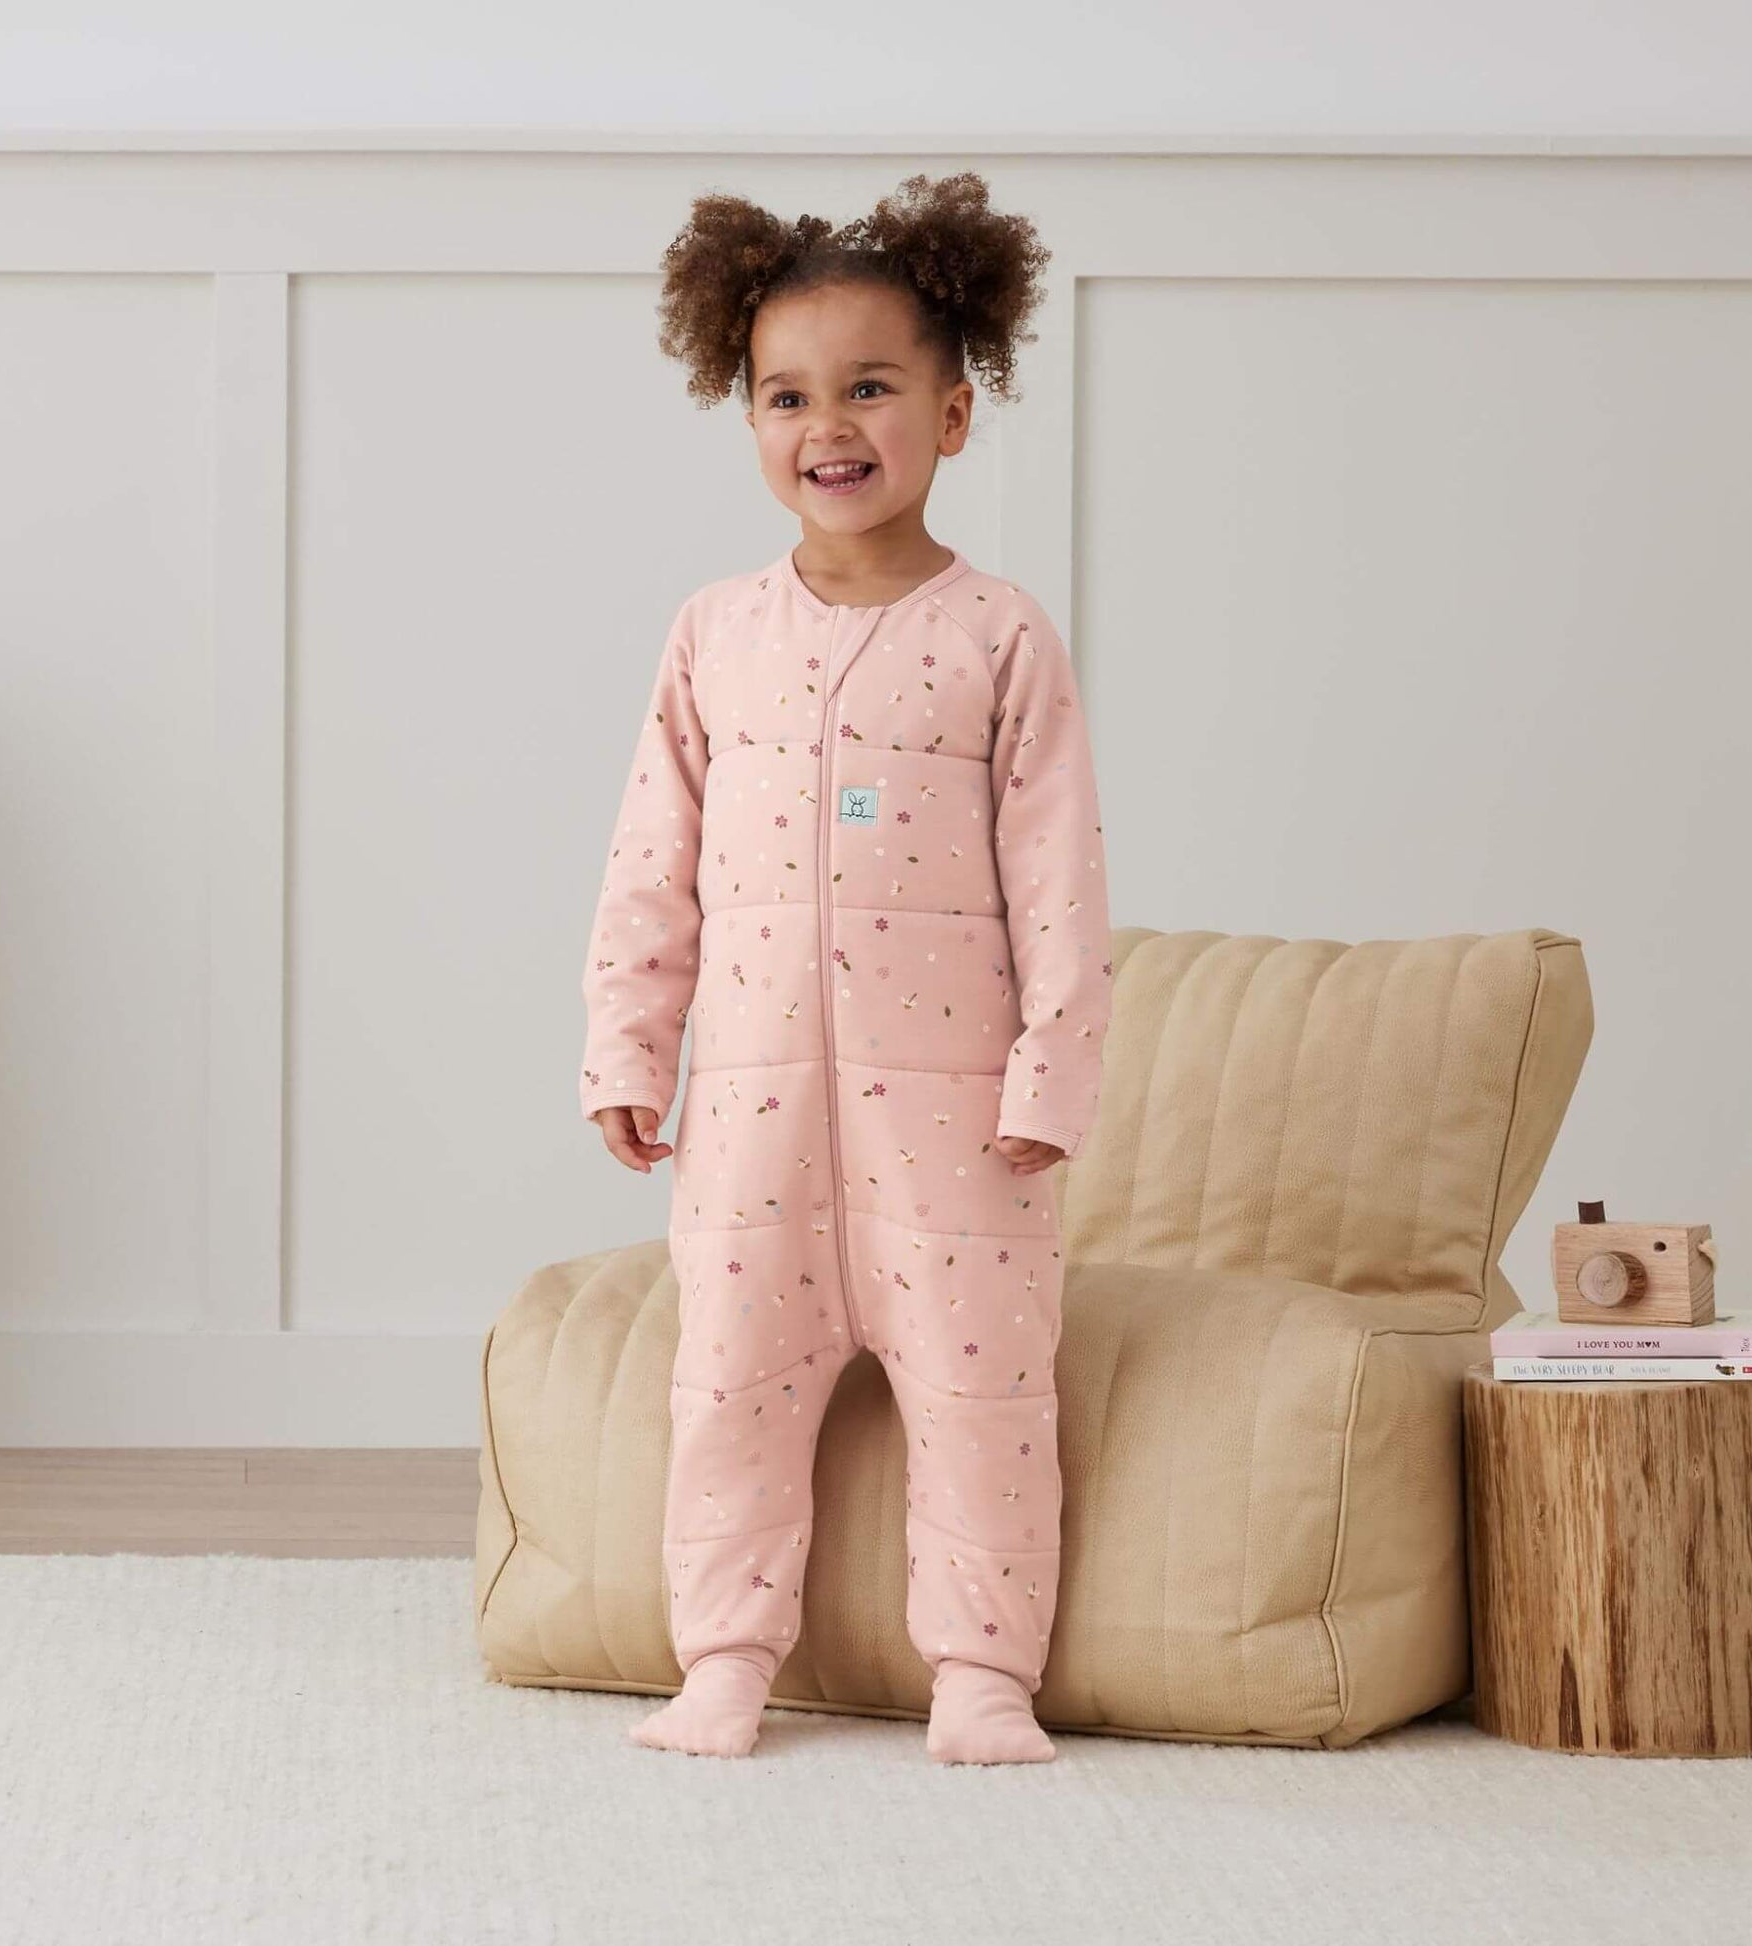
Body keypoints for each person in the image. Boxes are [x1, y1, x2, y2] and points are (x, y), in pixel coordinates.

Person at [578, 172, 1114, 1764]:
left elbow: (1060, 875)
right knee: (727, 1393)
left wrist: (1050, 1080)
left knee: (983, 1402)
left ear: (953, 414)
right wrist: (626, 1047)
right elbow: (647, 861)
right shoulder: (714, 634)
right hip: (749, 1122)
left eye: (870, 387)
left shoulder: (998, 634)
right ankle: (726, 1655)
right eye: (785, 393)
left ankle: (982, 1675)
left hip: (958, 1131)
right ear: (745, 415)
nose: (828, 424)